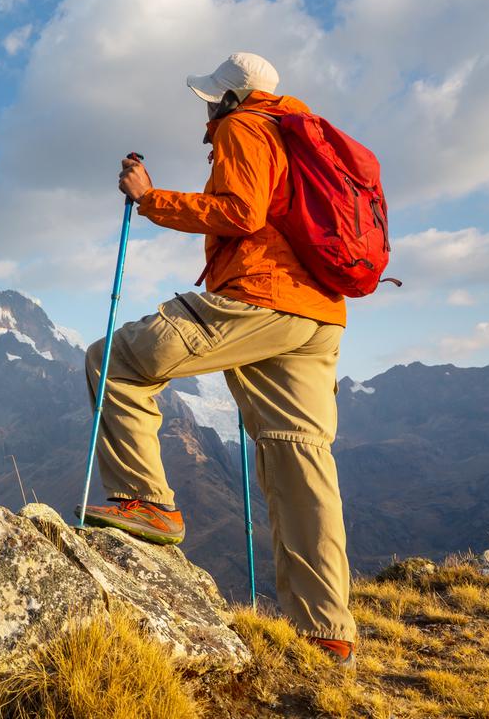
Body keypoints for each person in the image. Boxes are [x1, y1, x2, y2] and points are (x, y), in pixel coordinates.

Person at [76, 52, 357, 665]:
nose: (206, 109)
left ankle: (145, 500)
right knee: (299, 459)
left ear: (230, 97)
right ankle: (325, 632)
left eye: (211, 98)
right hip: (320, 314)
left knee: (113, 360)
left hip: (260, 298)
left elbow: (241, 212)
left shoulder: (244, 126)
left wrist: (150, 199)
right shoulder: (297, 133)